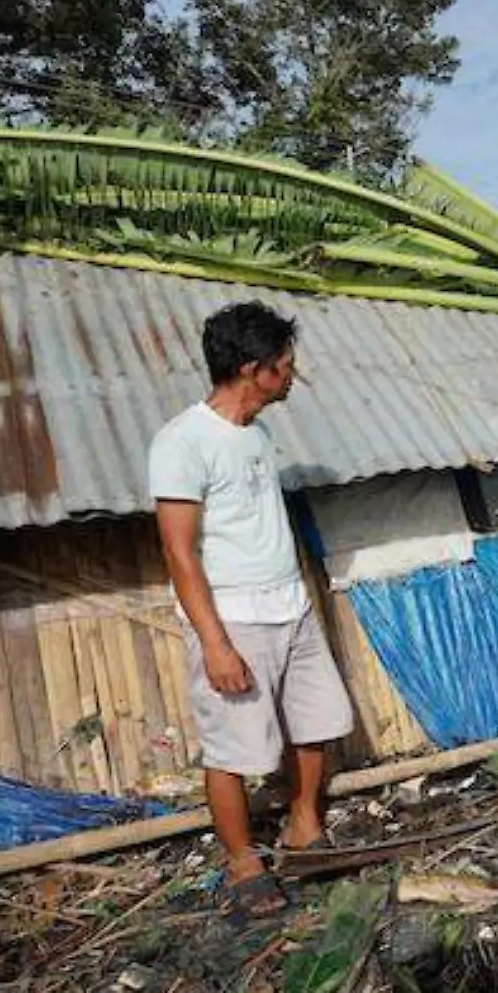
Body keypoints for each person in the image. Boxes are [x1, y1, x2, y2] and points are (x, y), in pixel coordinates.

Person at [148, 302, 354, 917]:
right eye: (284, 365)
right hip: (235, 619)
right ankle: (243, 864)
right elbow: (179, 554)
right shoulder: (182, 442)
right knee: (235, 751)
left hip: (291, 607)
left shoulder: (259, 434)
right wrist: (215, 642)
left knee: (319, 721)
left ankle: (302, 826)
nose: (292, 374)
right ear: (252, 369)